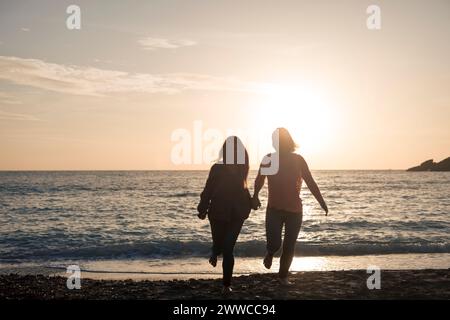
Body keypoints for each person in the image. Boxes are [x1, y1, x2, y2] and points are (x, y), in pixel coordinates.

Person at [252, 128, 328, 285]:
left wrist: (321, 202)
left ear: (288, 141)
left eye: (280, 140)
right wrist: (255, 196)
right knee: (275, 243)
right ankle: (271, 252)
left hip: (295, 210)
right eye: (275, 140)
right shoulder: (269, 159)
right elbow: (260, 179)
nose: (277, 143)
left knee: (289, 245)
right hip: (274, 209)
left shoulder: (298, 160)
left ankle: (283, 276)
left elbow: (310, 182)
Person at [197, 136, 252, 293]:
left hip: (237, 213)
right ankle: (215, 251)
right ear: (226, 150)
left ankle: (226, 285)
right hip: (217, 212)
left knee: (228, 248)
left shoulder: (242, 167)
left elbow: (244, 187)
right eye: (231, 148)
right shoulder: (217, 168)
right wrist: (202, 207)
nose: (234, 151)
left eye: (237, 149)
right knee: (220, 244)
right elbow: (208, 190)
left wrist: (251, 201)